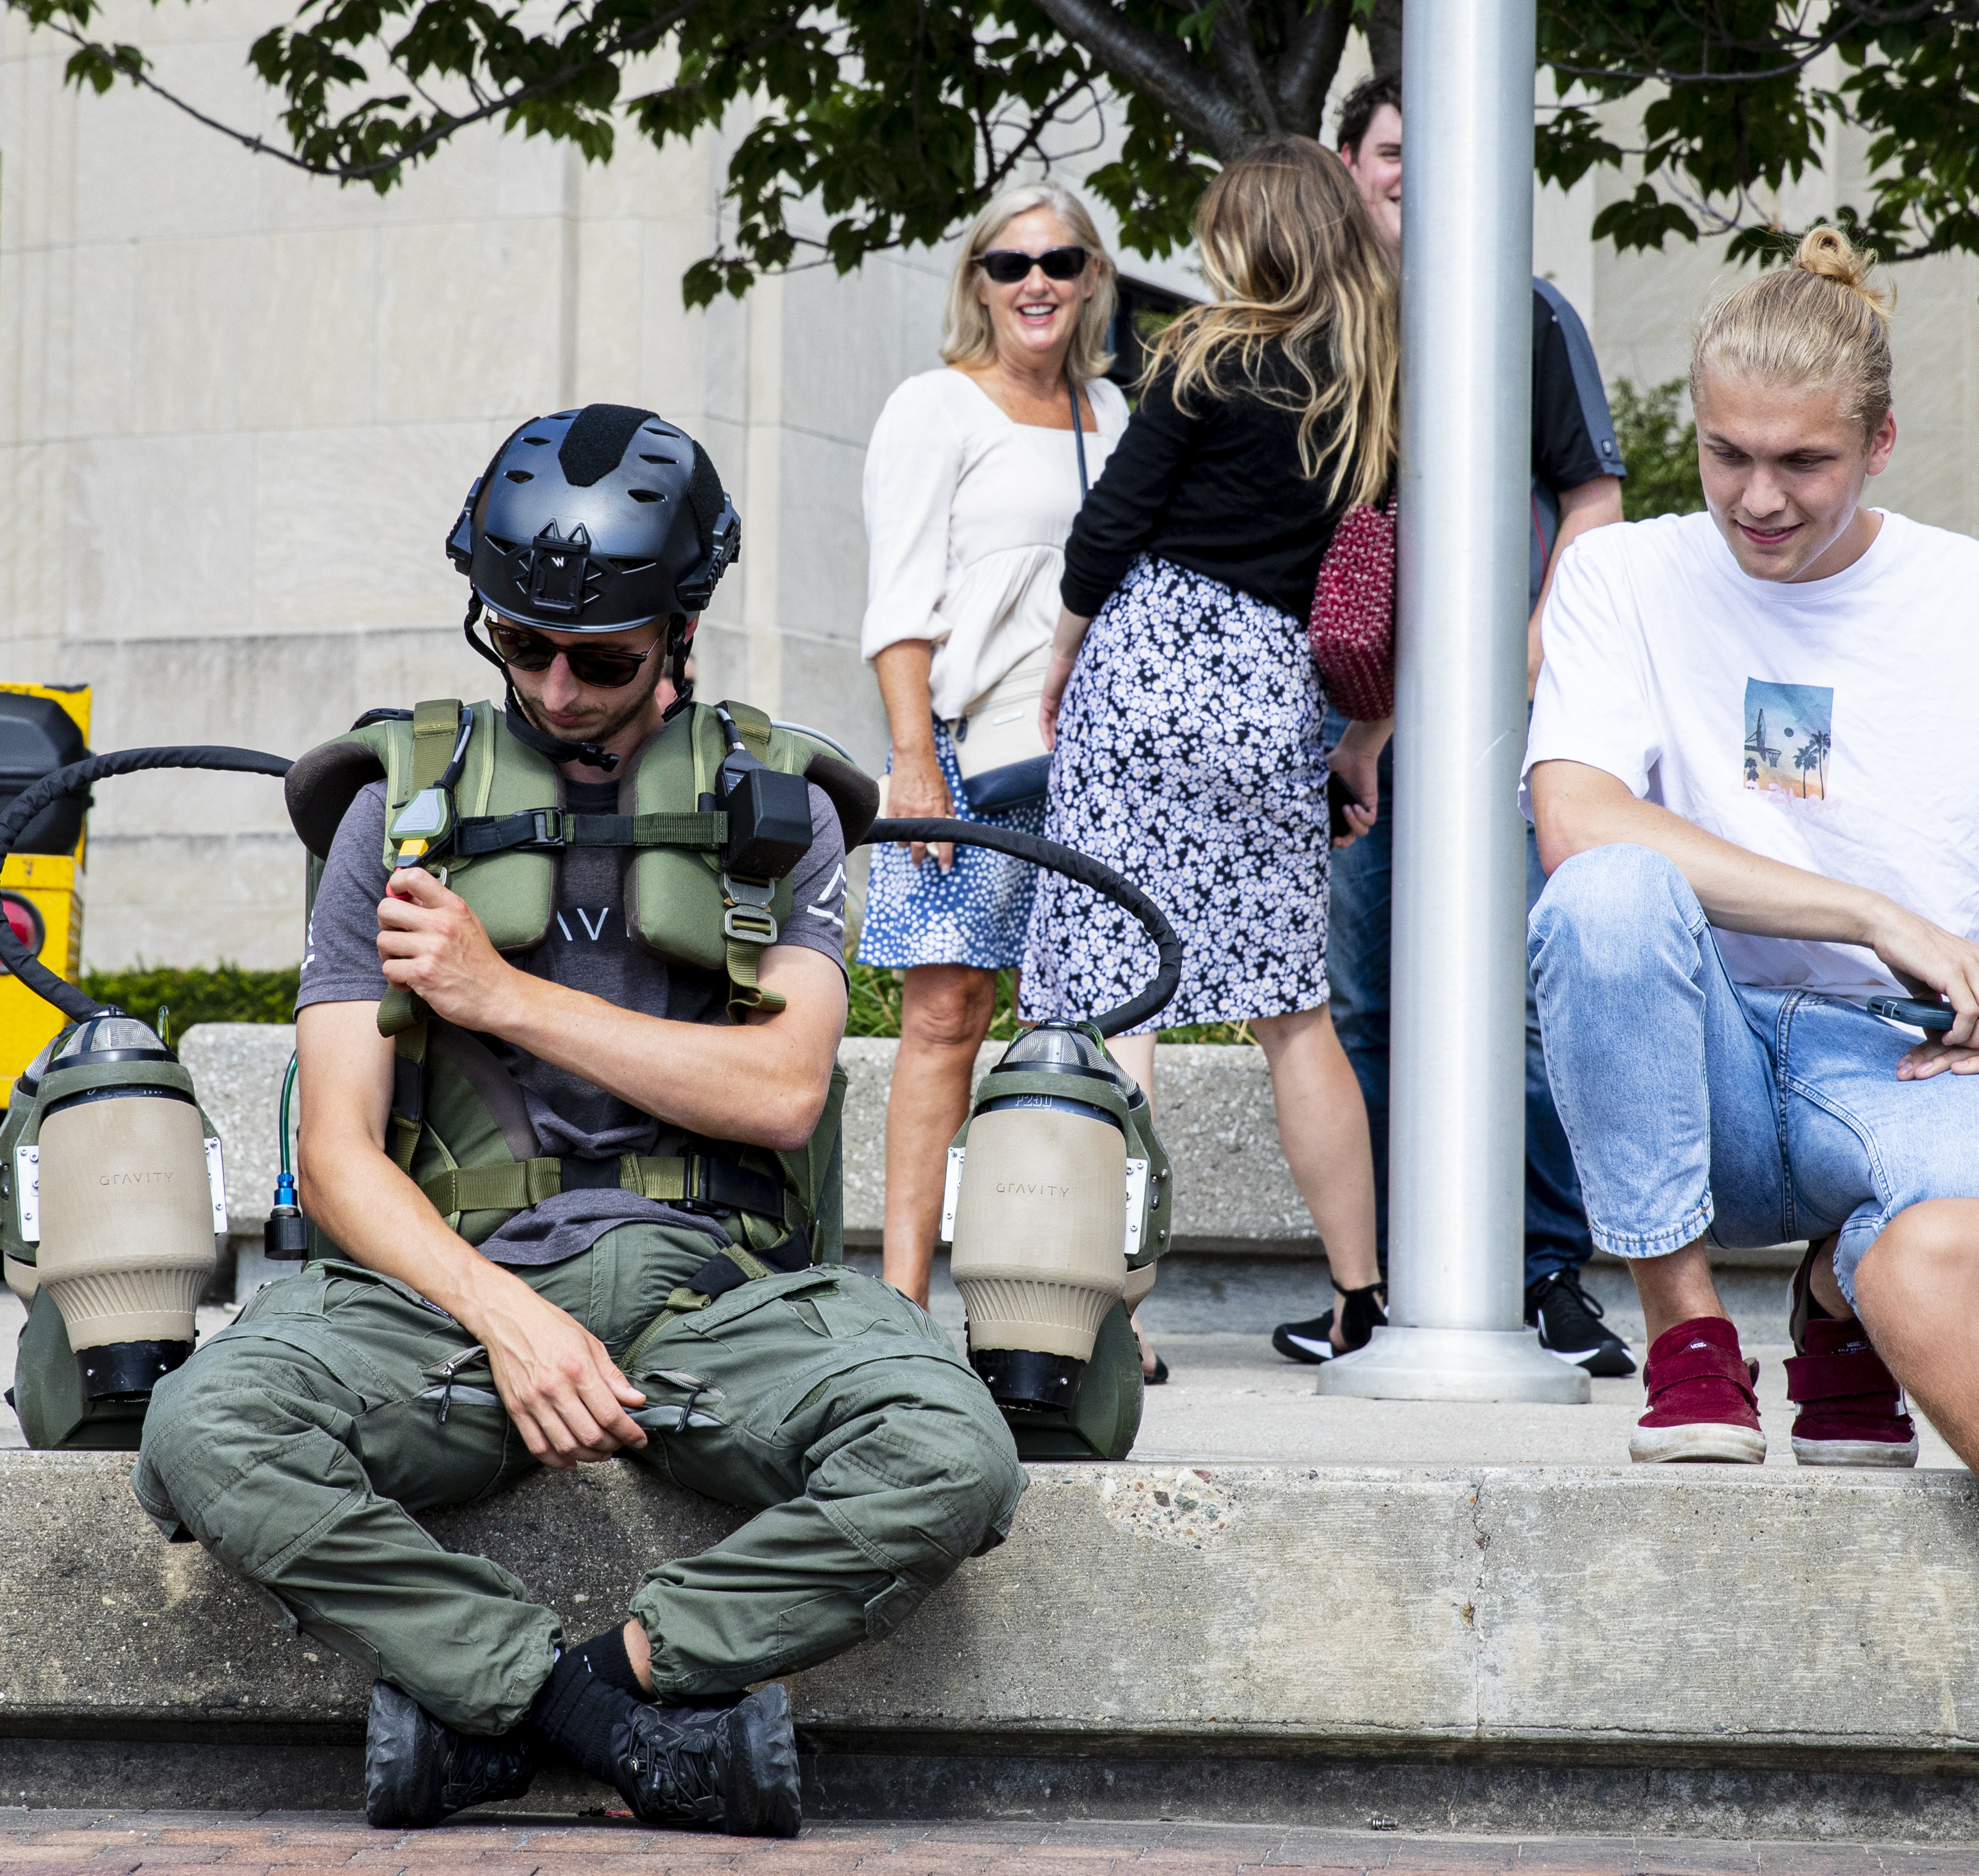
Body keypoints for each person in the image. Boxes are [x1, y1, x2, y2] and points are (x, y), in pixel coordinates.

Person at [131, 404, 1024, 1836]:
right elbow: (338, 1155)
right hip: (448, 1303)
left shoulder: (779, 812)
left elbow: (785, 1088)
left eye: (600, 658)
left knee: (955, 1455)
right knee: (205, 1426)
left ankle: (573, 1691)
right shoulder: (400, 804)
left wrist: (502, 994)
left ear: (681, 631)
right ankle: (594, 1720)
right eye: (519, 643)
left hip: (715, 1303)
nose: (553, 685)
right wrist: (505, 1316)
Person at [1528, 228, 1979, 1470]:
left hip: (1907, 1067)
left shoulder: (1961, 600)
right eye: (1728, 454)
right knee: (1604, 897)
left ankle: (1837, 1309)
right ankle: (1690, 1339)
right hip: (1696, 1051)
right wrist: (1876, 915)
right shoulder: (1619, 573)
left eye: (1805, 462)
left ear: (1880, 446)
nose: (1760, 499)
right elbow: (1577, 819)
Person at [1022, 137, 1396, 1363]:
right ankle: (1361, 1298)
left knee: (1112, 995)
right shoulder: (1384, 380)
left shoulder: (1204, 351)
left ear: (1255, 237)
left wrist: (1066, 655)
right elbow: (1394, 592)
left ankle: (1106, 1313)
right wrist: (1365, 739)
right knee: (1294, 1016)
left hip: (1152, 664)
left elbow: (1110, 526)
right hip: (1276, 693)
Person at [1322, 70, 1634, 1374]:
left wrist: (1521, 662)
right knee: (1362, 1001)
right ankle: (1390, 1282)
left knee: (1515, 994)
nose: (1414, 174)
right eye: (1395, 152)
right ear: (1351, 167)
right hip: (1355, 733)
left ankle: (1551, 1268)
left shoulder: (1525, 312)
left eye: (1436, 151)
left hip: (1497, 724)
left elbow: (1595, 504)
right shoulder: (1323, 337)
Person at [856, 182, 1154, 1368]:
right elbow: (898, 601)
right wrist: (915, 762)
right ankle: (898, 1300)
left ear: (1093, 278)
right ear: (976, 279)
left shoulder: (1115, 412)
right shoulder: (935, 407)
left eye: (1063, 259)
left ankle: (1067, 1296)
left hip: (1093, 764)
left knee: (1075, 1033)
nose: (1037, 281)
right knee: (945, 1018)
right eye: (1010, 261)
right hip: (967, 759)